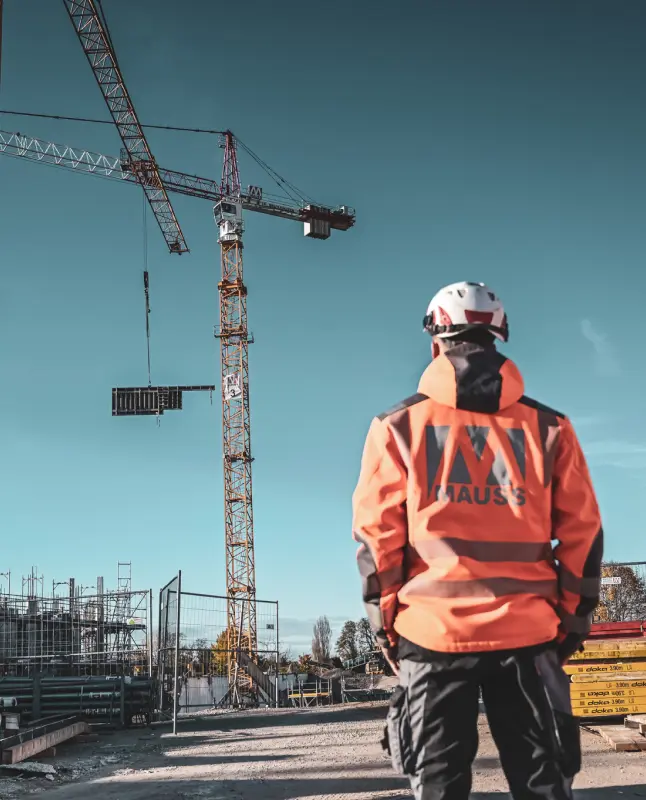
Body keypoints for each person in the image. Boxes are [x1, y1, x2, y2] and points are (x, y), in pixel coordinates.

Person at [352, 281, 603, 800]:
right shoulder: (551, 428)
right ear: (498, 340)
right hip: (529, 636)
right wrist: (573, 622)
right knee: (543, 784)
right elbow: (583, 534)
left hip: (431, 634)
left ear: (434, 343)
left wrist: (386, 628)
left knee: (439, 786)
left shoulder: (396, 426)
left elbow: (378, 541)